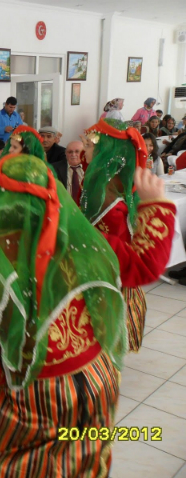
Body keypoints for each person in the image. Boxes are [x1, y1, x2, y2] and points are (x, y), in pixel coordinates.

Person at [0, 152, 175, 478]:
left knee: (24, 463)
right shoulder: (85, 241)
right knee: (83, 454)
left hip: (34, 389)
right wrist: (157, 204)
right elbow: (145, 263)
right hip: (95, 379)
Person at [80, 119, 172, 352]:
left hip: (109, 279)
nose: (84, 151)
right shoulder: (103, 188)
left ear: (105, 153)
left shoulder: (113, 205)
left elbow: (136, 262)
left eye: (90, 146)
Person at [52, 140, 86, 205]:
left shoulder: (91, 168)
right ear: (65, 153)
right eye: (70, 152)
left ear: (84, 153)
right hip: (62, 207)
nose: (73, 155)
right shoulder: (54, 168)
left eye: (77, 151)